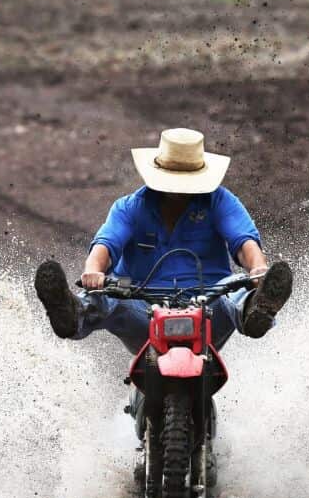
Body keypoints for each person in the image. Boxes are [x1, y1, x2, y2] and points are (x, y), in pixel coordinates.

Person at [34, 128, 292, 353]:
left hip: (210, 303)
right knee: (107, 295)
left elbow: (244, 241)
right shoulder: (130, 207)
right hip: (141, 302)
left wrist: (258, 268)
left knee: (236, 287)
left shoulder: (220, 201)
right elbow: (106, 244)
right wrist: (93, 271)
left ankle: (257, 309)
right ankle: (71, 313)